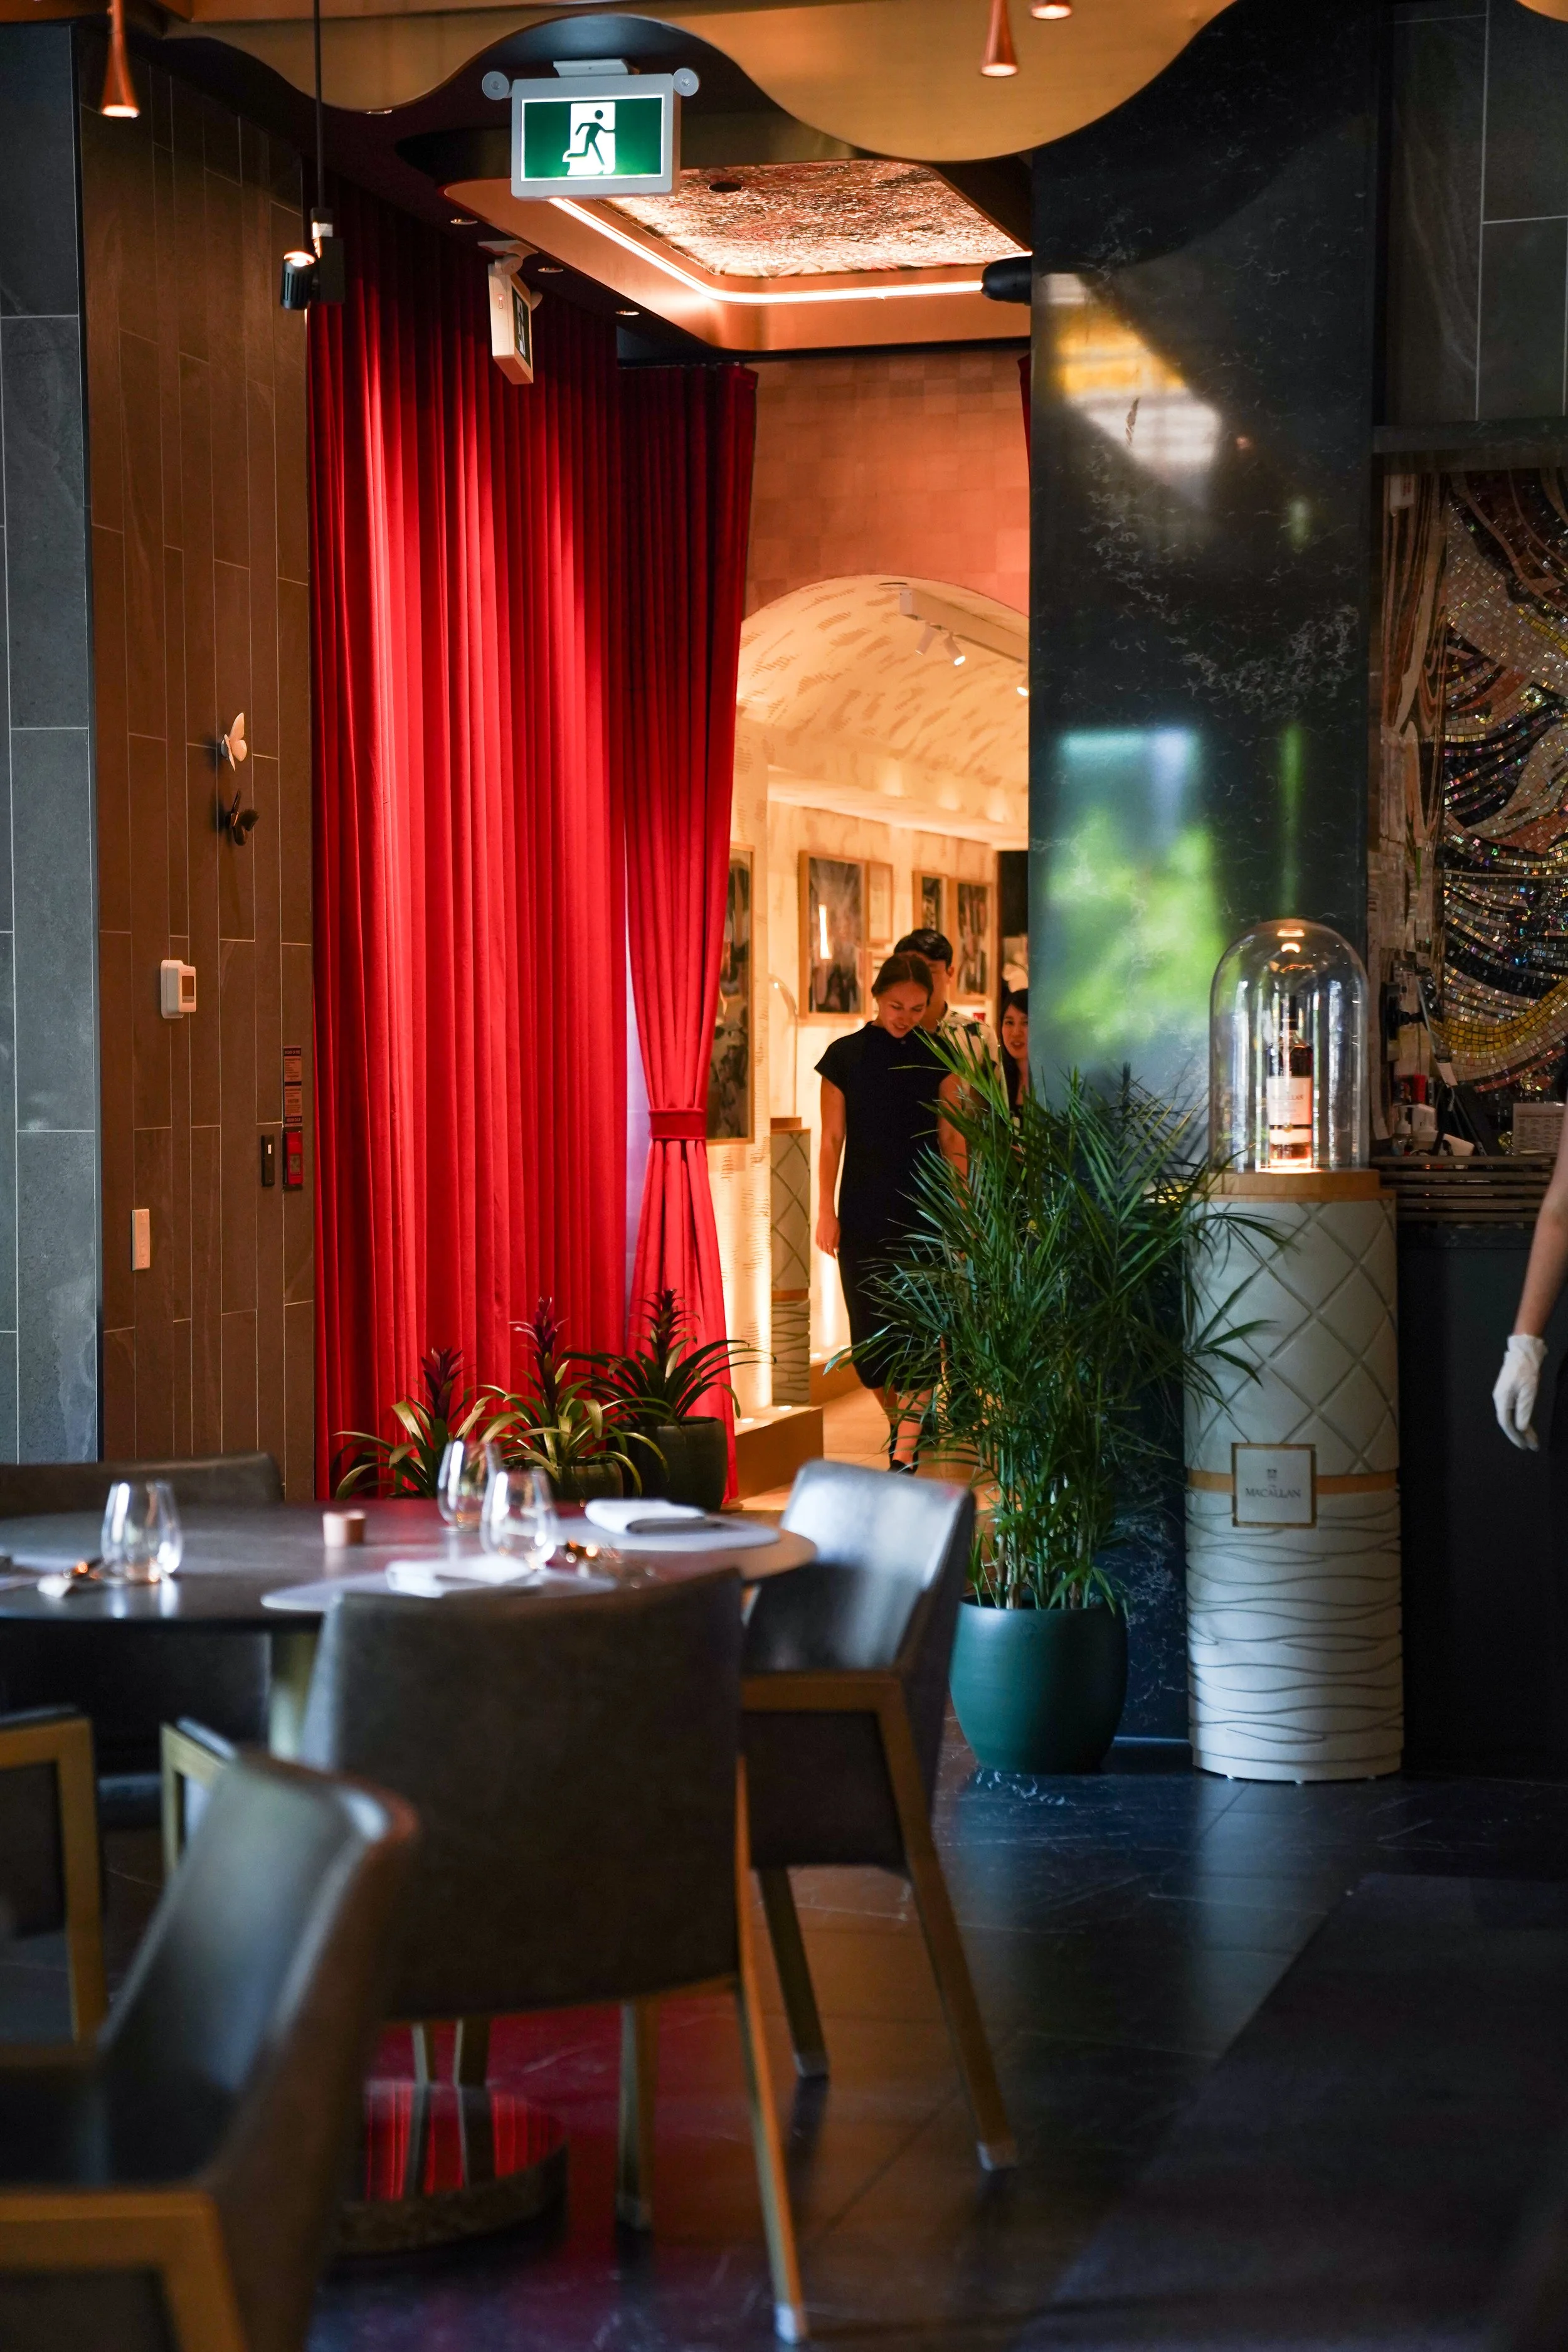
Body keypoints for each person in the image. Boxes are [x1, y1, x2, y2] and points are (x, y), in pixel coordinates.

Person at [815, 953, 963, 1470]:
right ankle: (906, 1427)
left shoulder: (938, 1056)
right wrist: (825, 1210)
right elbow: (831, 1140)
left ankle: (903, 1454)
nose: (905, 1017)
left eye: (917, 1008)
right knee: (871, 1350)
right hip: (862, 1213)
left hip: (926, 1213)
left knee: (920, 1334)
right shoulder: (845, 1056)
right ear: (877, 996)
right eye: (897, 1006)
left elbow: (953, 1140)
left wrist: (961, 1213)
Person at [894, 927, 999, 1063]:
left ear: (949, 973)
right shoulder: (890, 1033)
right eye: (910, 971)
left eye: (929, 971)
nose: (918, 980)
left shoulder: (979, 1034)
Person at [1000, 987, 1029, 1116]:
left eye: (1026, 1022)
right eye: (1009, 1023)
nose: (1016, 1033)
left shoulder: (1058, 1081)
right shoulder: (997, 1079)